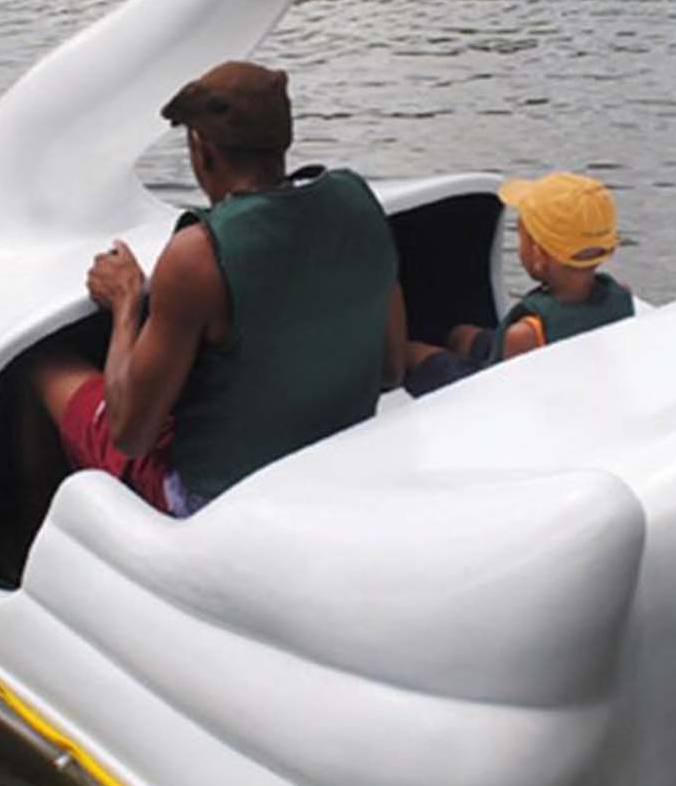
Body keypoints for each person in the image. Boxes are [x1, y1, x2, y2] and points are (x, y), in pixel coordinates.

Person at [29, 61, 405, 516]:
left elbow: (130, 434)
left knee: (42, 366)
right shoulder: (358, 205)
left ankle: (27, 539)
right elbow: (390, 371)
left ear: (200, 149)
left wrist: (127, 304)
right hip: (328, 463)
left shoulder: (198, 255)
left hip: (216, 500)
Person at [403, 172, 634, 396]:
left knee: (412, 353)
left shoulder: (524, 335)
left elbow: (506, 398)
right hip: (557, 365)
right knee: (460, 334)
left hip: (486, 391)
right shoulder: (622, 296)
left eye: (521, 236)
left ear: (538, 255)